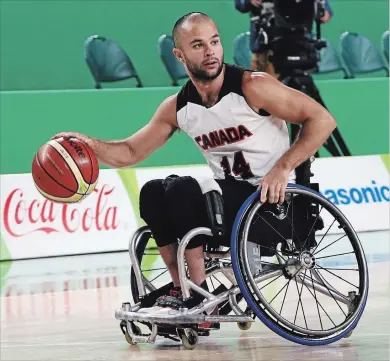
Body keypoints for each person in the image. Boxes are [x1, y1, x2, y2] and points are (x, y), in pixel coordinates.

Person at [52, 12, 336, 325]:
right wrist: (90, 145)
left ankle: (198, 293)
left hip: (271, 203)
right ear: (180, 55)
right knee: (152, 191)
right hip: (226, 204)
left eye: (214, 42)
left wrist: (284, 167)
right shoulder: (179, 107)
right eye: (198, 45)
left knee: (183, 188)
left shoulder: (253, 87)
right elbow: (131, 151)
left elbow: (322, 120)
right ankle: (181, 288)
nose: (211, 51)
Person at [235, 0, 334, 74]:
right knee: (266, 92)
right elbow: (240, 4)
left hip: (300, 46)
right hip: (266, 48)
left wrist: (314, 7)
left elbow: (325, 15)